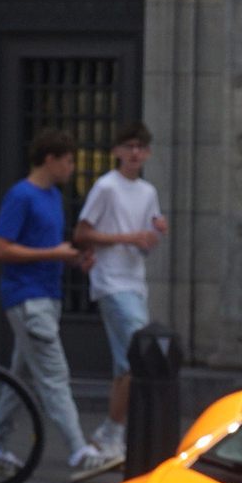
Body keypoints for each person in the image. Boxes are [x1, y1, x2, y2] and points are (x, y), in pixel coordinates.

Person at [0, 129, 103, 475]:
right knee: (55, 376)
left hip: (46, 297)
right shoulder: (21, 196)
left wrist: (70, 258)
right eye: (69, 161)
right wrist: (53, 253)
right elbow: (0, 249)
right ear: (50, 160)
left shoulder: (52, 196)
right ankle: (78, 451)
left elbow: (44, 249)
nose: (72, 168)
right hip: (27, 298)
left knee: (20, 377)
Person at [72, 121, 168, 462]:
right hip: (111, 281)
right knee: (137, 356)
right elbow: (82, 233)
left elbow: (144, 244)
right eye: (129, 146)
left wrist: (153, 234)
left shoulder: (148, 192)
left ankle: (110, 434)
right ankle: (112, 433)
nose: (135, 153)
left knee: (127, 364)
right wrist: (127, 238)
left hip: (134, 280)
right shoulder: (106, 187)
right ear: (116, 151)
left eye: (141, 147)